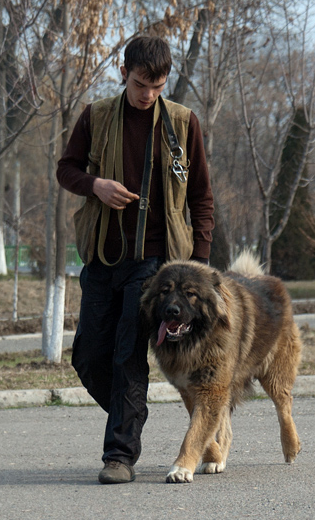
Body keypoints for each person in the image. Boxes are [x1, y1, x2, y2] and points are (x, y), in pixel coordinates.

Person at [56, 36, 214, 484]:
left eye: (157, 85)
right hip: (103, 256)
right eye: (142, 83)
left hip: (155, 265)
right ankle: (132, 410)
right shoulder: (97, 115)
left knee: (128, 355)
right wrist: (95, 185)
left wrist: (199, 264)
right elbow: (65, 169)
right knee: (88, 355)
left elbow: (202, 197)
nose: (148, 94)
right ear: (123, 73)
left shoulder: (183, 123)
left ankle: (119, 455)